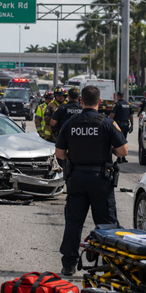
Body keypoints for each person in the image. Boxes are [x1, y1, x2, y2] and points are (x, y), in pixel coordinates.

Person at [55, 85, 129, 276]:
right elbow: (123, 151)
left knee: (73, 222)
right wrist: (109, 149)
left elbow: (59, 153)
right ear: (99, 102)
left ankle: (69, 264)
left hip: (76, 178)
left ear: (81, 101)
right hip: (100, 180)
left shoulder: (70, 123)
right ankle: (108, 264)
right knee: (106, 223)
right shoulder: (106, 123)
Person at [109, 91, 134, 162]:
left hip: (118, 125)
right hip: (126, 124)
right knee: (124, 140)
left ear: (118, 96)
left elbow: (112, 115)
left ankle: (119, 157)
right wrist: (132, 125)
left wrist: (108, 122)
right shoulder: (128, 104)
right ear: (123, 96)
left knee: (118, 140)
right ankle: (123, 157)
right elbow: (131, 115)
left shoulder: (116, 104)